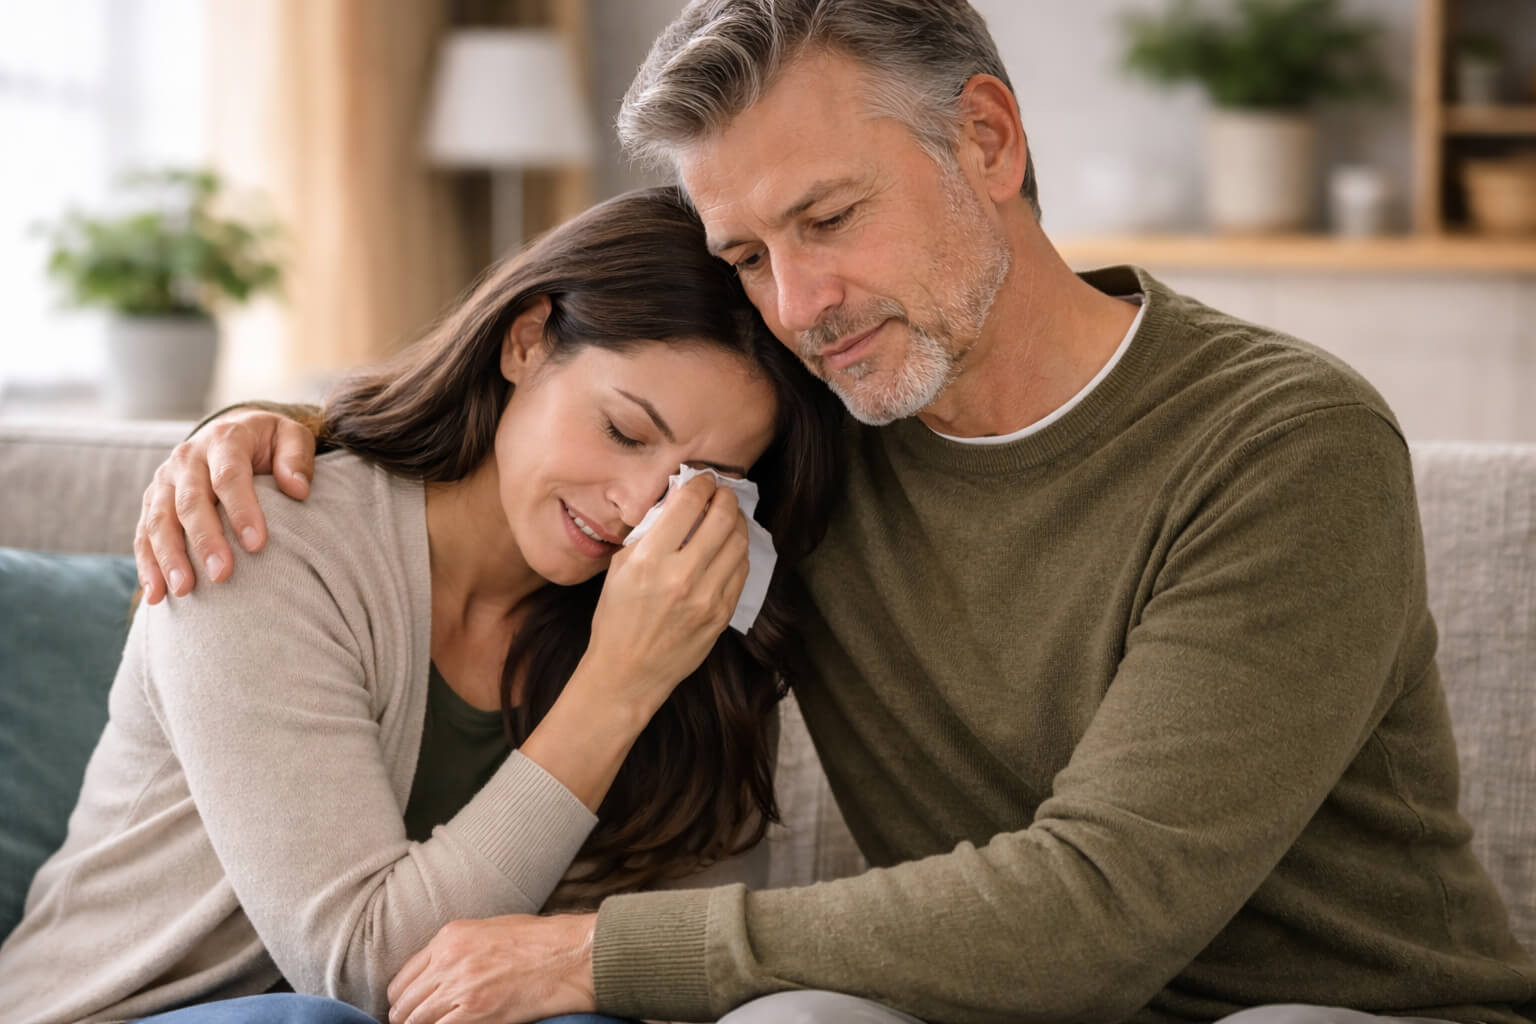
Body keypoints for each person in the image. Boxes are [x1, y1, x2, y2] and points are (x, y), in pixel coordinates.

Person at [135, 2, 1536, 1024]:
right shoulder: (809, 445)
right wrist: (277, 432)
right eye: (749, 254)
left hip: (1331, 1008)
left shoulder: (1283, 443)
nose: (798, 307)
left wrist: (593, 954)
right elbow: (548, 448)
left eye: (830, 218)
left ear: (985, 138)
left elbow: (1099, 909)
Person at [0, 186, 844, 1024]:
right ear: (525, 342)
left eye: (700, 486)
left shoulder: (685, 610)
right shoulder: (263, 539)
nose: (637, 506)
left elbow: (658, 969)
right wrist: (620, 682)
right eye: (623, 432)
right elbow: (367, 971)